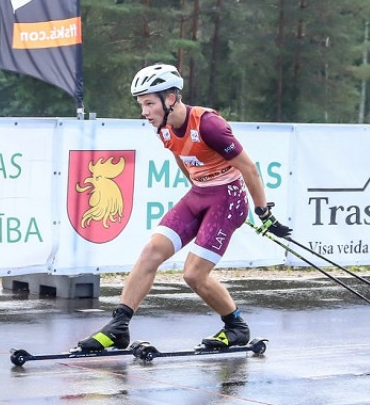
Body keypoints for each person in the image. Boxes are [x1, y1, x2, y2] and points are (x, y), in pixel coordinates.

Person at [77, 63, 292, 351]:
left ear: (170, 99)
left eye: (149, 103)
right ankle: (119, 326)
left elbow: (249, 169)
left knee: (193, 274)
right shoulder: (163, 128)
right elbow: (181, 156)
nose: (144, 111)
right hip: (199, 194)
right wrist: (198, 183)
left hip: (227, 199)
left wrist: (263, 212)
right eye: (141, 104)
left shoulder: (209, 125)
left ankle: (236, 327)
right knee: (151, 252)